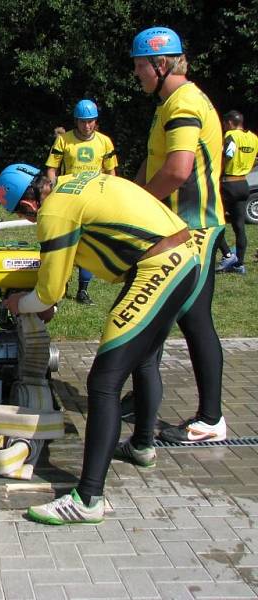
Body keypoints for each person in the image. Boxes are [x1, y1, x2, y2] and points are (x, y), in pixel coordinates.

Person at [0, 164, 198, 524]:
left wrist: (19, 303)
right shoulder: (74, 180)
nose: (28, 218)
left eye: (23, 213)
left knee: (104, 382)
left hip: (156, 267)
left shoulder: (52, 209)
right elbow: (68, 255)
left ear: (27, 204)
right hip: (184, 256)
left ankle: (88, 498)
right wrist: (46, 297)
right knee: (145, 359)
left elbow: (49, 292)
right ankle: (142, 445)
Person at [131, 27, 226, 444]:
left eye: (139, 67)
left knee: (195, 320)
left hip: (195, 228)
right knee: (167, 315)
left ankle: (211, 419)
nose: (136, 75)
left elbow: (177, 170)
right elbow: (154, 163)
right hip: (176, 228)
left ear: (161, 63)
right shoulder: (170, 102)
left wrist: (139, 206)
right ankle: (145, 397)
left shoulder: (184, 102)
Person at [45, 100, 118, 305]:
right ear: (76, 121)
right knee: (64, 244)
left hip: (94, 200)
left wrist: (110, 194)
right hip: (69, 200)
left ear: (96, 121)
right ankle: (60, 288)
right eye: (83, 122)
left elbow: (111, 172)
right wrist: (53, 185)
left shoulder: (105, 142)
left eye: (91, 121)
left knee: (88, 245)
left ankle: (83, 290)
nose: (87, 126)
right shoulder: (63, 140)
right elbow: (52, 167)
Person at [215, 110, 257, 274]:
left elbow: (229, 154)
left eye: (225, 125)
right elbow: (253, 160)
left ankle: (227, 254)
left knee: (212, 220)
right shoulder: (253, 138)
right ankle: (239, 264)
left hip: (228, 184)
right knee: (239, 226)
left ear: (230, 123)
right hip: (243, 184)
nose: (225, 128)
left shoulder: (231, 135)